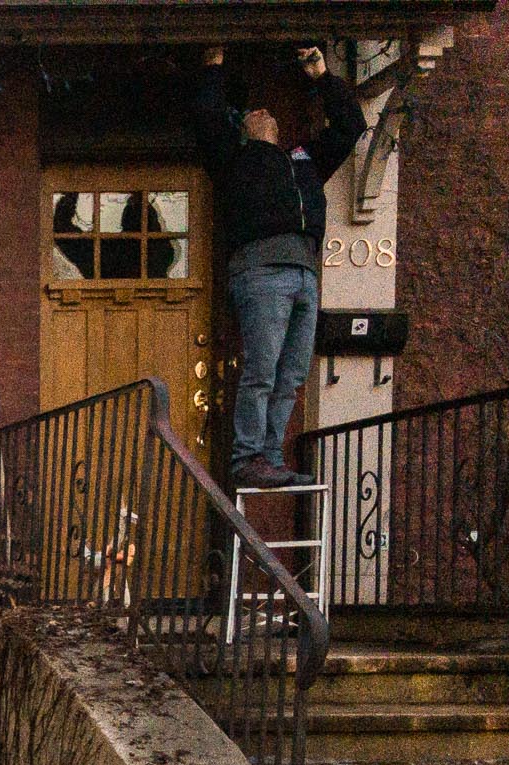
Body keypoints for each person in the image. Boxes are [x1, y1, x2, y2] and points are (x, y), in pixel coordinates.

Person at [195, 42, 368, 490]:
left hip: (306, 272)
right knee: (262, 368)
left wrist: (321, 76)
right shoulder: (233, 160)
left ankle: (270, 457)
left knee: (291, 374)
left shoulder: (305, 159)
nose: (265, 112)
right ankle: (248, 456)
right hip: (261, 271)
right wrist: (214, 66)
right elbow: (209, 121)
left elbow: (352, 125)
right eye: (255, 112)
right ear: (245, 127)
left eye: (269, 111)